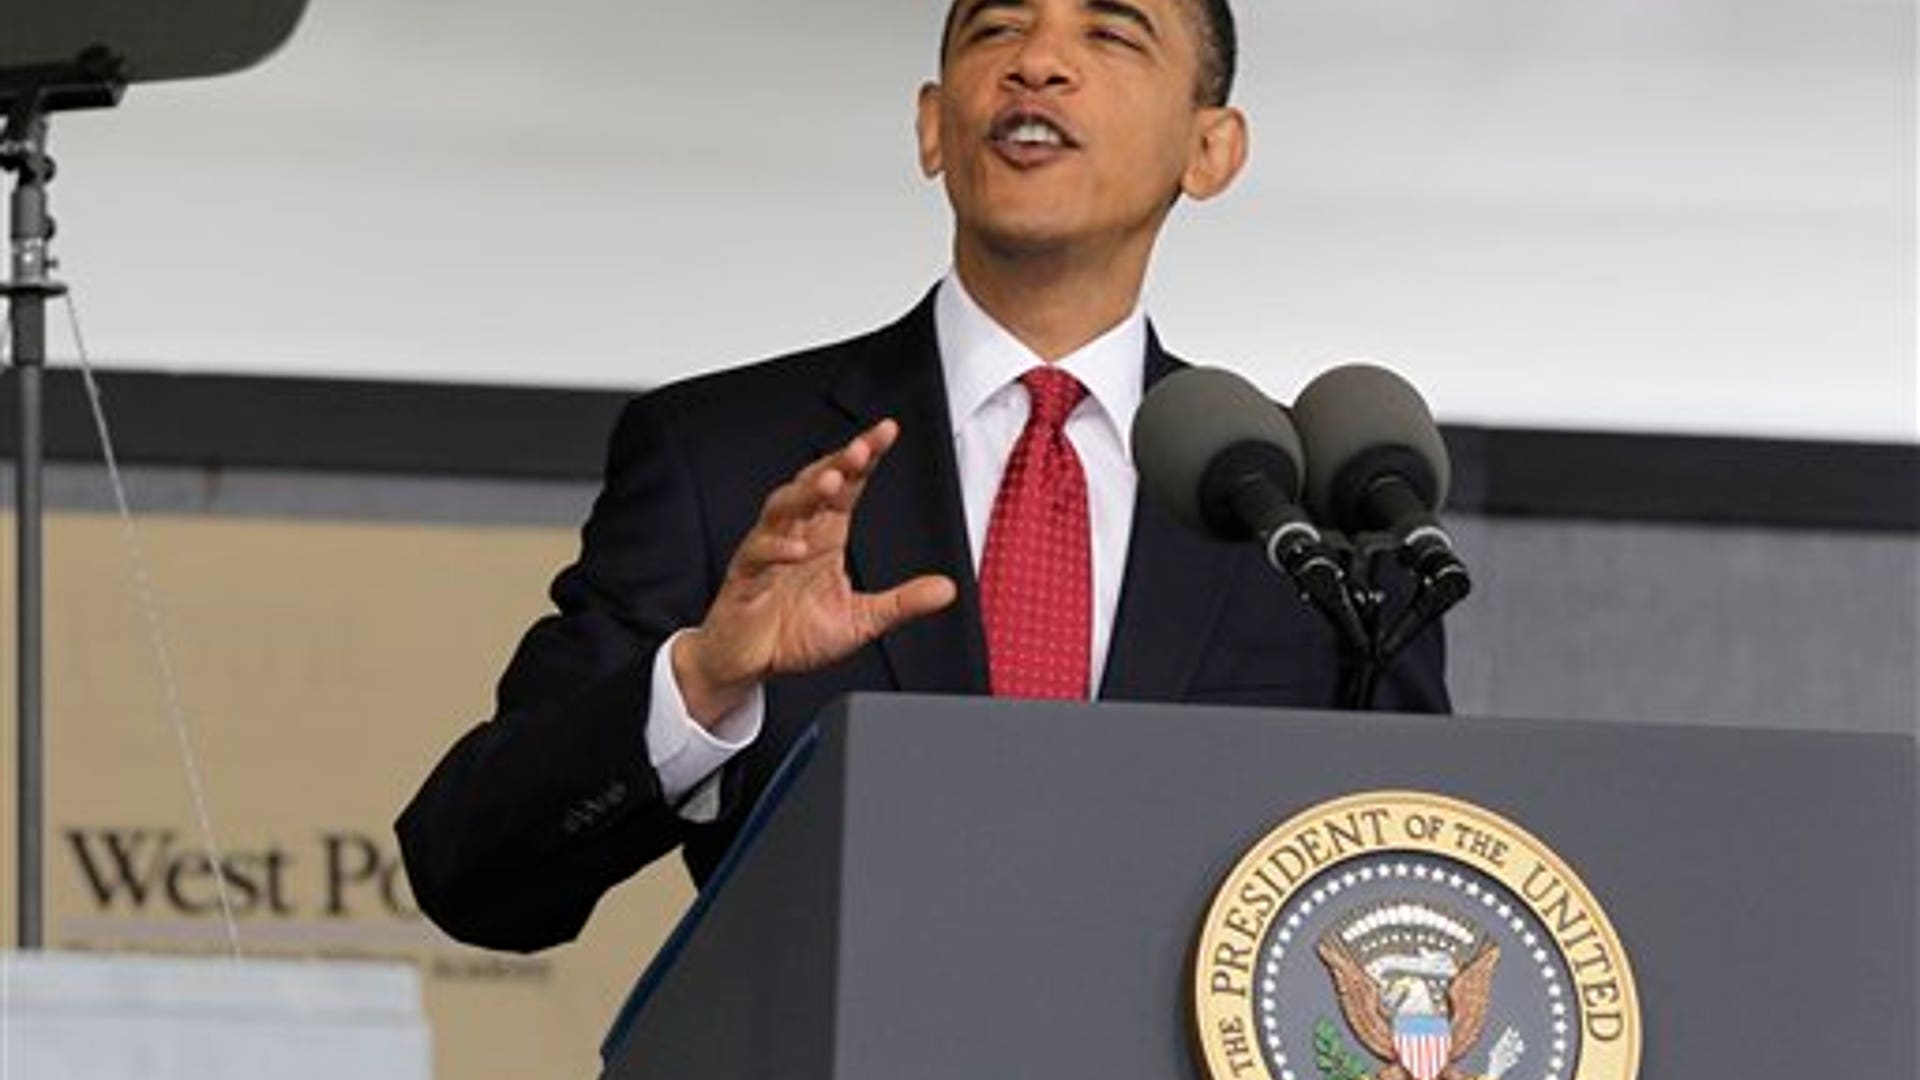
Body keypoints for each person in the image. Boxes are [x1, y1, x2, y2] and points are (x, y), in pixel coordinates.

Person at [397, 0, 1448, 954]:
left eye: (1110, 32)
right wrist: (704, 681)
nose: (1038, 63)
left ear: (1211, 148)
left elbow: (1419, 907)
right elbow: (473, 874)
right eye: (996, 30)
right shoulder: (726, 459)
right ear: (933, 126)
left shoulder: (1305, 513)